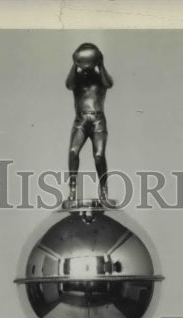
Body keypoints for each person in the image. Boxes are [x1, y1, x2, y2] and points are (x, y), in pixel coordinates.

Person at [65, 43, 114, 204]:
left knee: (99, 156)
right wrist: (74, 63)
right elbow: (69, 85)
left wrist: (101, 63)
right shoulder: (77, 79)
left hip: (98, 120)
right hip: (81, 119)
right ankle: (72, 190)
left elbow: (109, 84)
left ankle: (104, 190)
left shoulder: (100, 78)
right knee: (73, 151)